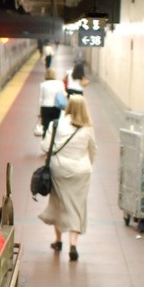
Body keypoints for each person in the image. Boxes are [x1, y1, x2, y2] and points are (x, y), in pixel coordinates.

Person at [38, 95, 97, 261]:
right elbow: (93, 150)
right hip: (81, 172)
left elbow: (44, 146)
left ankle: (58, 241)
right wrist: (86, 164)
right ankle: (73, 245)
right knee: (77, 207)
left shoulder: (56, 124)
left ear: (68, 106)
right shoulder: (88, 128)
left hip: (59, 170)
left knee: (58, 204)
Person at [37, 67, 66, 139]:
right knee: (55, 126)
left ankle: (45, 143)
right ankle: (53, 142)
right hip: (56, 107)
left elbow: (41, 98)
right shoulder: (60, 83)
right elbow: (64, 94)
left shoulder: (43, 84)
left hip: (45, 107)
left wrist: (39, 111)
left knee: (46, 127)